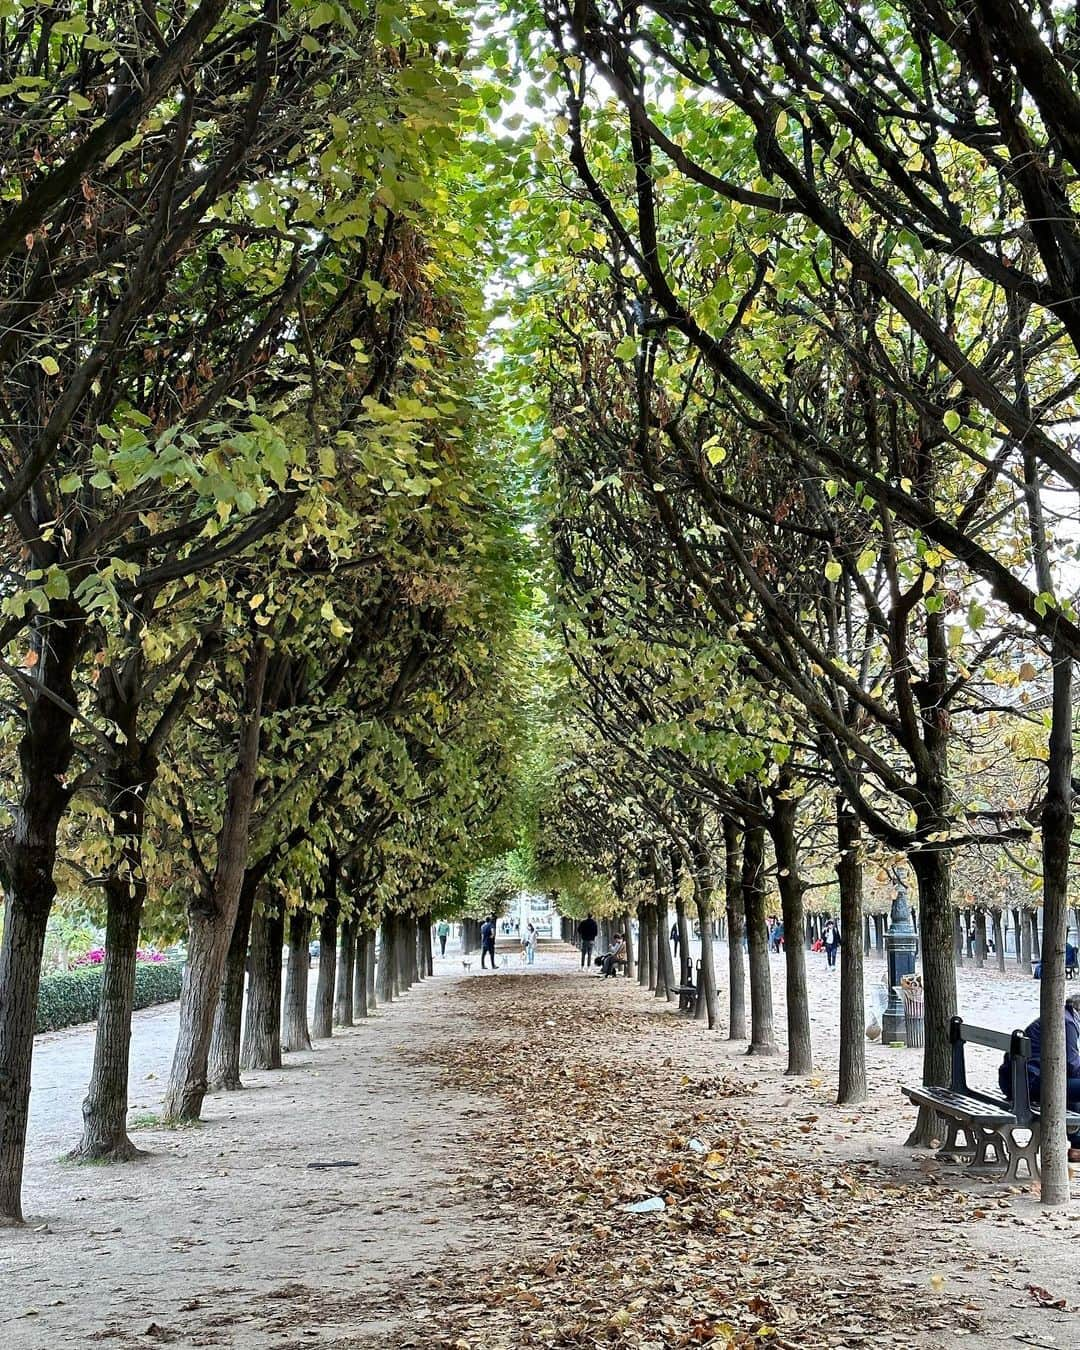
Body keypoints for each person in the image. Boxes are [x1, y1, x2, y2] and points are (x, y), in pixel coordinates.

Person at [999, 996, 1080, 1162]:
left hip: (1018, 1082)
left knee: (1068, 1086)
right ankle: (1077, 1144)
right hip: (1032, 1084)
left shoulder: (1060, 1016)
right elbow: (1072, 1065)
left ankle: (1078, 1145)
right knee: (1069, 1085)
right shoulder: (1067, 1023)